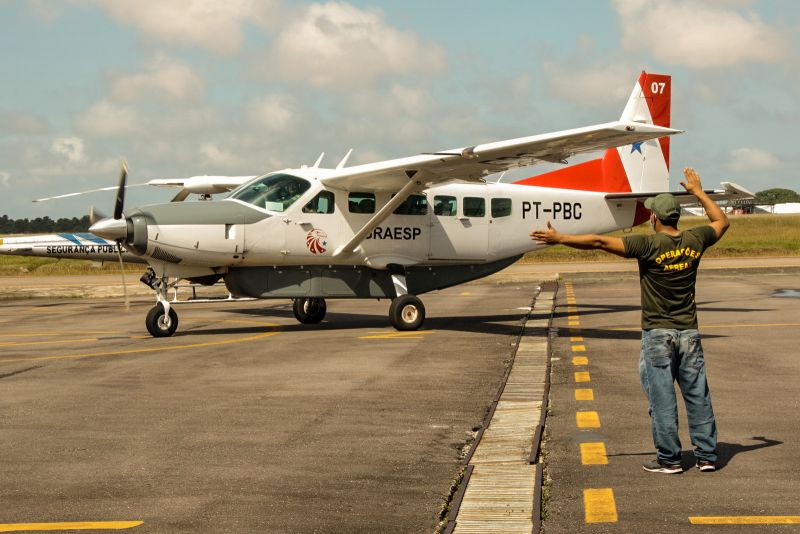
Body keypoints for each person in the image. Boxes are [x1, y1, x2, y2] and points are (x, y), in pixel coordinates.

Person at [531, 167, 728, 474]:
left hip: (658, 334)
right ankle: (706, 456)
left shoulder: (647, 246)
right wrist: (699, 192)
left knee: (662, 399)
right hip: (688, 331)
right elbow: (721, 221)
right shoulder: (696, 239)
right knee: (697, 394)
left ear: (656, 219)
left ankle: (670, 459)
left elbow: (598, 242)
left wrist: (559, 238)